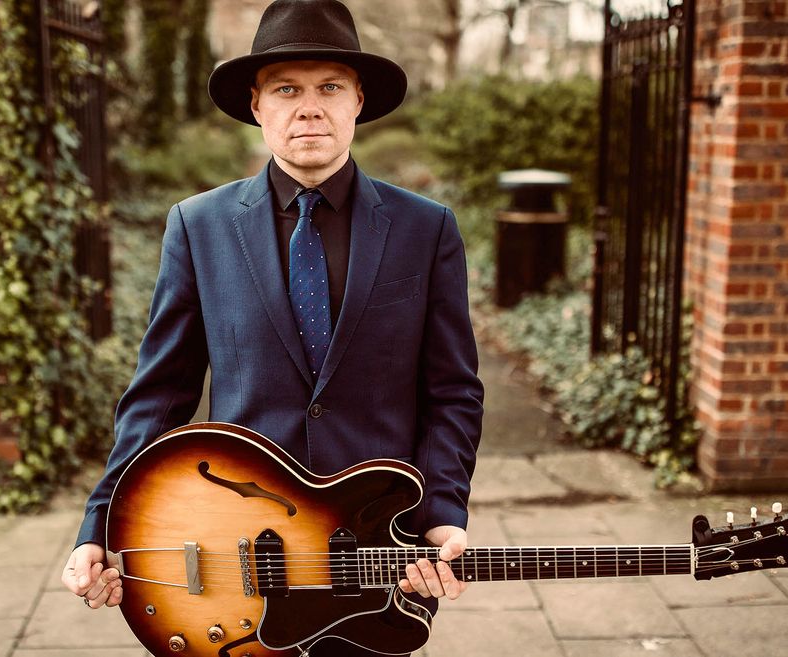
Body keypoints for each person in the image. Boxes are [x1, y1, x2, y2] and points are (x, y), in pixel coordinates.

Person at [61, 0, 483, 652]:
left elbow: (453, 389)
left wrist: (443, 513)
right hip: (235, 556)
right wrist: (100, 521)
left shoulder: (427, 230)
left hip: (376, 551)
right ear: (257, 104)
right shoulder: (197, 228)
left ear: (358, 101)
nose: (308, 107)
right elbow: (158, 394)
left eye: (329, 87)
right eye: (287, 88)